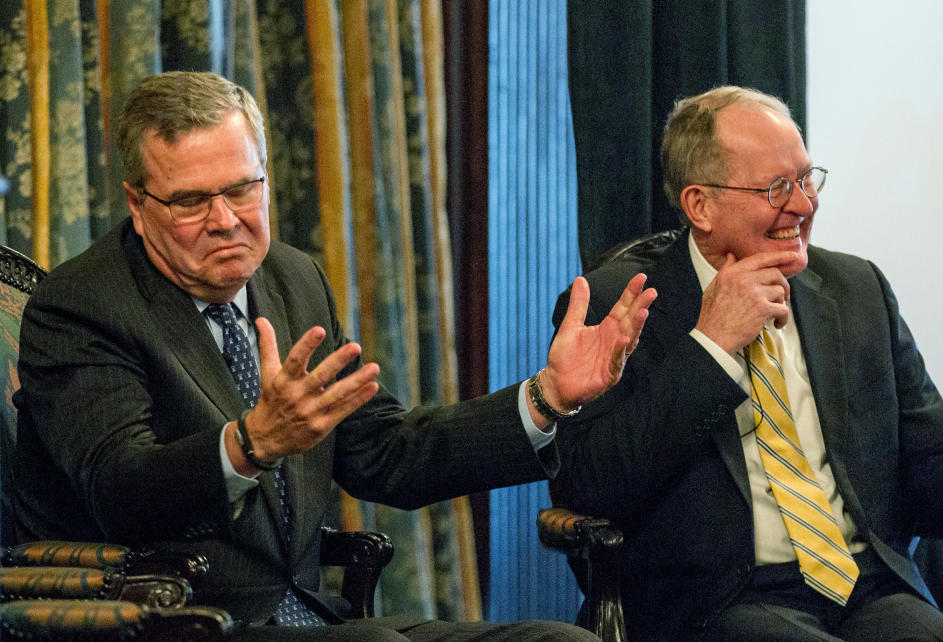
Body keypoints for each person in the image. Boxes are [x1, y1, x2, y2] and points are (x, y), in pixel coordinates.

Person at [12, 70, 658, 641]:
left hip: (309, 613)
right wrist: (248, 445)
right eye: (191, 201)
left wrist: (546, 396)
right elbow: (119, 489)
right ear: (137, 203)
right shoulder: (83, 305)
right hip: (179, 618)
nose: (227, 220)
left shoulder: (290, 277)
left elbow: (384, 454)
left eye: (242, 189)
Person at [548, 86, 943, 641]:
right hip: (718, 600)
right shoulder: (617, 307)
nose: (804, 204)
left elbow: (932, 462)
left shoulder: (858, 289)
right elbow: (592, 485)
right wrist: (711, 348)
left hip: (866, 587)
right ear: (701, 206)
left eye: (807, 178)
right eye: (776, 188)